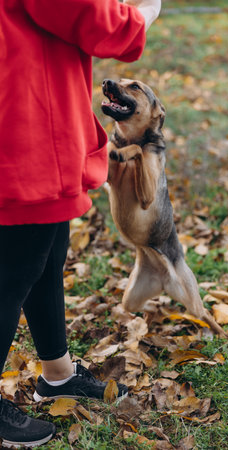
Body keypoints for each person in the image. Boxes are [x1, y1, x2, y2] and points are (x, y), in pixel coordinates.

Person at [0, 0, 161, 447]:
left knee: (47, 254)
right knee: (14, 270)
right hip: (23, 117)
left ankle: (58, 374)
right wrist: (142, 15)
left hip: (32, 103)